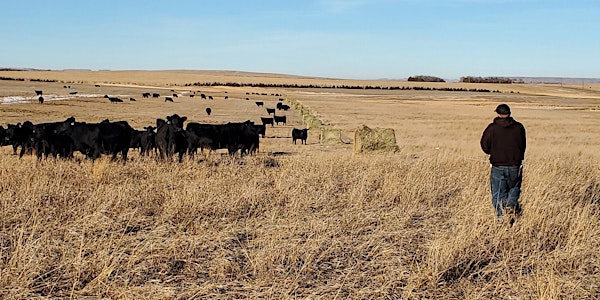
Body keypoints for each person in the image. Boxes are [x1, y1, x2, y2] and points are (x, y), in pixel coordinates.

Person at [480, 104, 526, 222]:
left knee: (498, 192)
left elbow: (484, 145)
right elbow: (523, 145)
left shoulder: (492, 128)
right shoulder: (519, 127)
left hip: (498, 166)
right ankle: (510, 205)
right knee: (514, 188)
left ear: (497, 114)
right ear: (509, 113)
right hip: (516, 166)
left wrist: (493, 153)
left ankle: (501, 218)